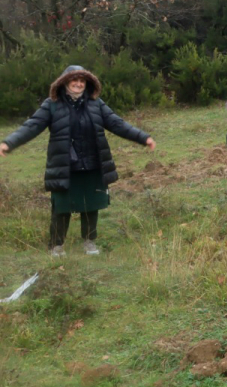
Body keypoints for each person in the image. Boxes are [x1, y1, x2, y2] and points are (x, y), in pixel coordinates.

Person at [1, 65, 156, 257]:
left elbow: (117, 124)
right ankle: (56, 245)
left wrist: (143, 138)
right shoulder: (52, 104)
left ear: (87, 83)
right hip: (65, 165)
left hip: (92, 164)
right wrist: (9, 143)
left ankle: (89, 242)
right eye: (74, 80)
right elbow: (31, 126)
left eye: (82, 81)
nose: (78, 84)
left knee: (91, 206)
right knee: (61, 207)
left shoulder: (96, 104)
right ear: (65, 82)